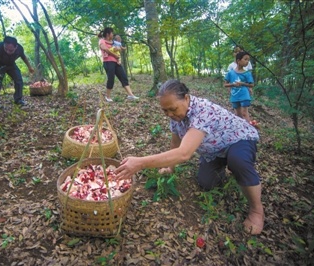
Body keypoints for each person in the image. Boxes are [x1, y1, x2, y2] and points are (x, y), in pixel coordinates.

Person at [116, 79, 264, 235]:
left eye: (173, 109)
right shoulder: (176, 117)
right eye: (165, 111)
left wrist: (140, 163)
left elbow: (184, 153)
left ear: (186, 98)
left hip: (239, 139)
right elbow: (176, 144)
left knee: (238, 161)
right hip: (214, 150)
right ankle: (227, 167)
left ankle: (257, 210)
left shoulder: (203, 110)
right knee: (207, 182)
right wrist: (169, 167)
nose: (170, 114)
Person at [0, 36, 35, 109]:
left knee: (19, 80)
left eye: (10, 50)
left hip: (11, 64)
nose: (7, 52)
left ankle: (18, 99)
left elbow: (24, 57)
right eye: (6, 49)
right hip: (0, 65)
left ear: (16, 47)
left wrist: (30, 67)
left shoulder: (20, 48)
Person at [98, 28, 139, 102]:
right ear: (108, 34)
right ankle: (108, 97)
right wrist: (115, 55)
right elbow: (106, 49)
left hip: (116, 62)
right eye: (112, 33)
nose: (113, 35)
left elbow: (119, 48)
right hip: (108, 62)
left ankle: (130, 95)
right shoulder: (102, 41)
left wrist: (119, 49)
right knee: (111, 79)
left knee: (123, 77)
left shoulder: (113, 42)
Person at [224, 51, 257, 126]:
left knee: (244, 113)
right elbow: (225, 84)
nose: (247, 62)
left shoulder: (247, 73)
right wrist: (233, 84)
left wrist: (242, 83)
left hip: (244, 95)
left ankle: (250, 131)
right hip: (234, 95)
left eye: (248, 60)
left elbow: (252, 85)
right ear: (238, 61)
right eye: (245, 59)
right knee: (238, 115)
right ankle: (241, 132)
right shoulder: (230, 73)